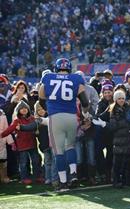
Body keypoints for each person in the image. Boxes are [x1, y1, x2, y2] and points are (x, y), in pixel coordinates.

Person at [38, 58, 90, 191]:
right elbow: (84, 101)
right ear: (69, 68)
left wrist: (48, 109)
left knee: (58, 151)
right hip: (71, 116)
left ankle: (63, 182)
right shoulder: (76, 78)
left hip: (55, 116)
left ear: (56, 68)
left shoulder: (48, 77)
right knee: (70, 146)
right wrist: (84, 113)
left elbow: (41, 97)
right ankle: (73, 173)